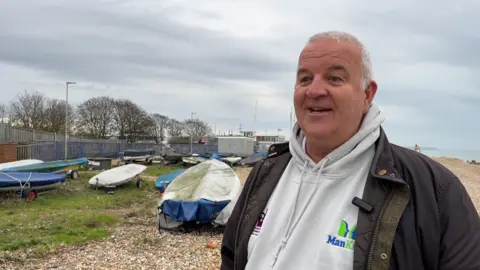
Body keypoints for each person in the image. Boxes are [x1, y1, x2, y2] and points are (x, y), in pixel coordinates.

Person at [220, 31, 480, 270]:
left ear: (367, 94)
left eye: (334, 78)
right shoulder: (266, 172)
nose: (315, 90)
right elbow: (232, 257)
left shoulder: (433, 189)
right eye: (305, 78)